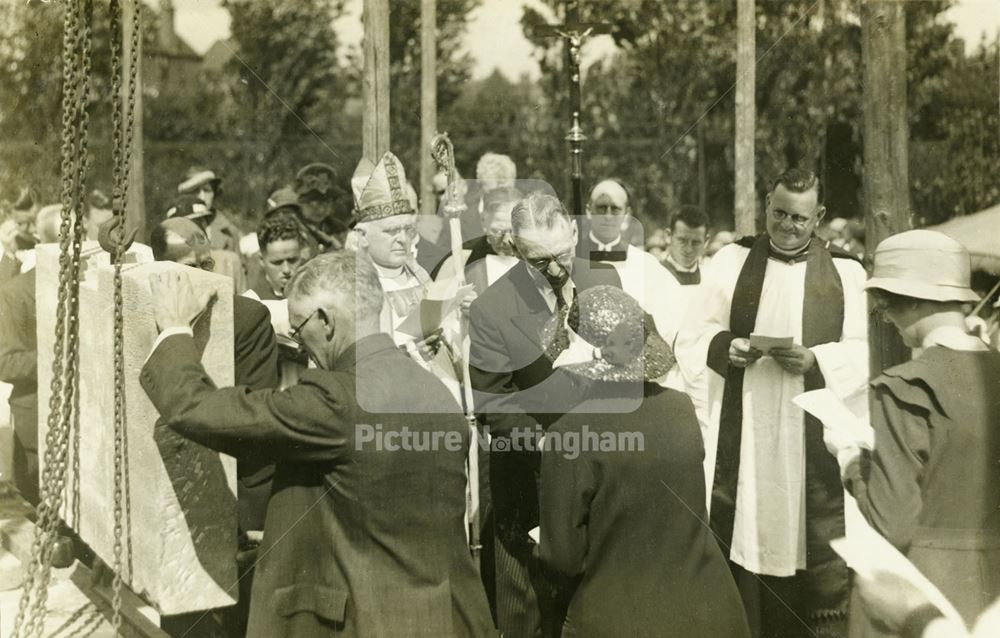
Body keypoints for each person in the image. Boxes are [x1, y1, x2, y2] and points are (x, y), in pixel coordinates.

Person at [139, 252, 496, 637]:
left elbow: (201, 410)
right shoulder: (437, 393)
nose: (299, 343)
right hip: (451, 620)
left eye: (297, 329)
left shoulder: (336, 399)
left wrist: (175, 330)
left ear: (325, 321)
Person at [675, 168, 868, 637]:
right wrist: (727, 347)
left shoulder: (846, 271)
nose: (786, 225)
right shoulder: (729, 262)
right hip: (748, 437)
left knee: (810, 541)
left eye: (799, 219)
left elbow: (867, 350)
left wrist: (816, 359)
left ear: (819, 216)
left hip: (810, 441)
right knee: (744, 531)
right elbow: (690, 334)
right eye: (779, 213)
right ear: (766, 205)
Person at [538, 285, 750, 638]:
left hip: (619, 619)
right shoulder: (681, 408)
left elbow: (562, 559)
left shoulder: (570, 431)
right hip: (710, 613)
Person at [831, 230, 1000, 637]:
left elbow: (892, 523)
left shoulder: (904, 387)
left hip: (925, 588)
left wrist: (851, 460)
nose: (887, 317)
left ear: (911, 302)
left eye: (886, 306)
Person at [468, 192, 620, 638]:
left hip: (602, 482)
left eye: (562, 255)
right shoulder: (492, 308)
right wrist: (553, 446)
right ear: (515, 249)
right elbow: (494, 405)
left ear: (575, 232)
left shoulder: (604, 278)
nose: (556, 270)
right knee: (527, 617)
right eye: (539, 261)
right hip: (528, 485)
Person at [576, 179, 684, 370]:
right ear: (588, 211)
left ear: (627, 215)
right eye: (601, 208)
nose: (608, 216)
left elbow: (668, 318)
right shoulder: (570, 257)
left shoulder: (645, 264)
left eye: (615, 209)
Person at [0, 204, 62, 505]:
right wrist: (57, 360)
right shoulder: (17, 293)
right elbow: (6, 361)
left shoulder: (87, 286)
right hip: (36, 429)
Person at [433, 185, 522, 293]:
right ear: (483, 222)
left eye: (514, 232)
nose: (507, 241)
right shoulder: (463, 261)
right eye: (498, 232)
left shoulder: (538, 260)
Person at [165, 194, 247, 292]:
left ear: (206, 227)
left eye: (198, 224)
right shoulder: (166, 270)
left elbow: (247, 303)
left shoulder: (229, 262)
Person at [177, 166, 243, 254]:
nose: (202, 197)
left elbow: (238, 266)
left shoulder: (229, 231)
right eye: (195, 190)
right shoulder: (172, 228)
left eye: (207, 190)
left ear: (214, 194)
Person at [294, 162, 348, 252]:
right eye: (314, 204)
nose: (321, 210)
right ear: (300, 203)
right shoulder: (292, 229)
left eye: (327, 203)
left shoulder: (338, 229)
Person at [663, 205, 709, 286]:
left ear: (706, 241)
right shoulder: (653, 276)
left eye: (696, 243)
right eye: (682, 241)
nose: (688, 250)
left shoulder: (711, 280)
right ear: (668, 236)